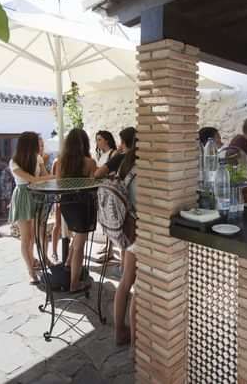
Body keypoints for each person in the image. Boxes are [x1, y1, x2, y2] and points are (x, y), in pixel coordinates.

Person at [55, 128, 97, 293]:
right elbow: (93, 186)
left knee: (77, 237)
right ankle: (74, 284)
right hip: (84, 205)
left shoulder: (60, 162)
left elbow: (58, 184)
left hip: (67, 204)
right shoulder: (90, 162)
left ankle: (67, 263)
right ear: (84, 143)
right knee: (80, 243)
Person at [9, 132, 52, 284]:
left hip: (36, 195)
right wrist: (49, 177)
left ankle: (35, 261)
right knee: (25, 238)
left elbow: (45, 176)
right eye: (36, 143)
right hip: (23, 196)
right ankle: (30, 270)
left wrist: (47, 177)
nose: (39, 145)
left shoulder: (38, 158)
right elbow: (34, 179)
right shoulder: (14, 162)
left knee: (33, 236)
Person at [112, 136, 138, 346]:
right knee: (139, 286)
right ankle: (136, 341)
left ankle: (120, 329)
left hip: (128, 228)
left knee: (126, 281)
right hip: (141, 231)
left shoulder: (127, 166)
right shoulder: (143, 172)